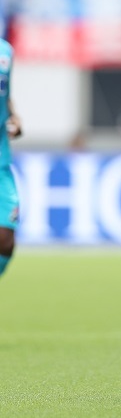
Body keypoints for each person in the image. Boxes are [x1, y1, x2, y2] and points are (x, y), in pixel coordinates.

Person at [0, 37, 21, 277]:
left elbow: (6, 96)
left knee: (5, 241)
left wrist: (15, 117)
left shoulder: (5, 51)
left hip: (1, 161)